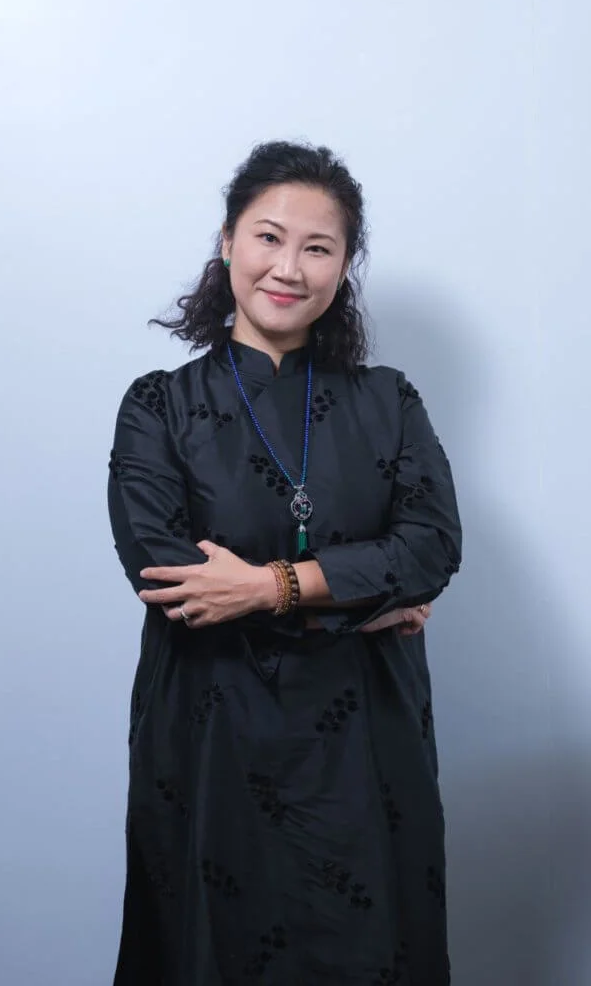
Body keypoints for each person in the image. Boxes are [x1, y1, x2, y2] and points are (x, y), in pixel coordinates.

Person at [107, 140, 462, 986]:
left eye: (318, 247)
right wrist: (362, 592)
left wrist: (269, 586)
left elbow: (432, 547)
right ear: (227, 240)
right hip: (212, 732)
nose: (288, 268)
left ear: (344, 266)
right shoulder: (158, 406)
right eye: (268, 237)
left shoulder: (389, 400)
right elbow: (173, 583)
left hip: (364, 739)